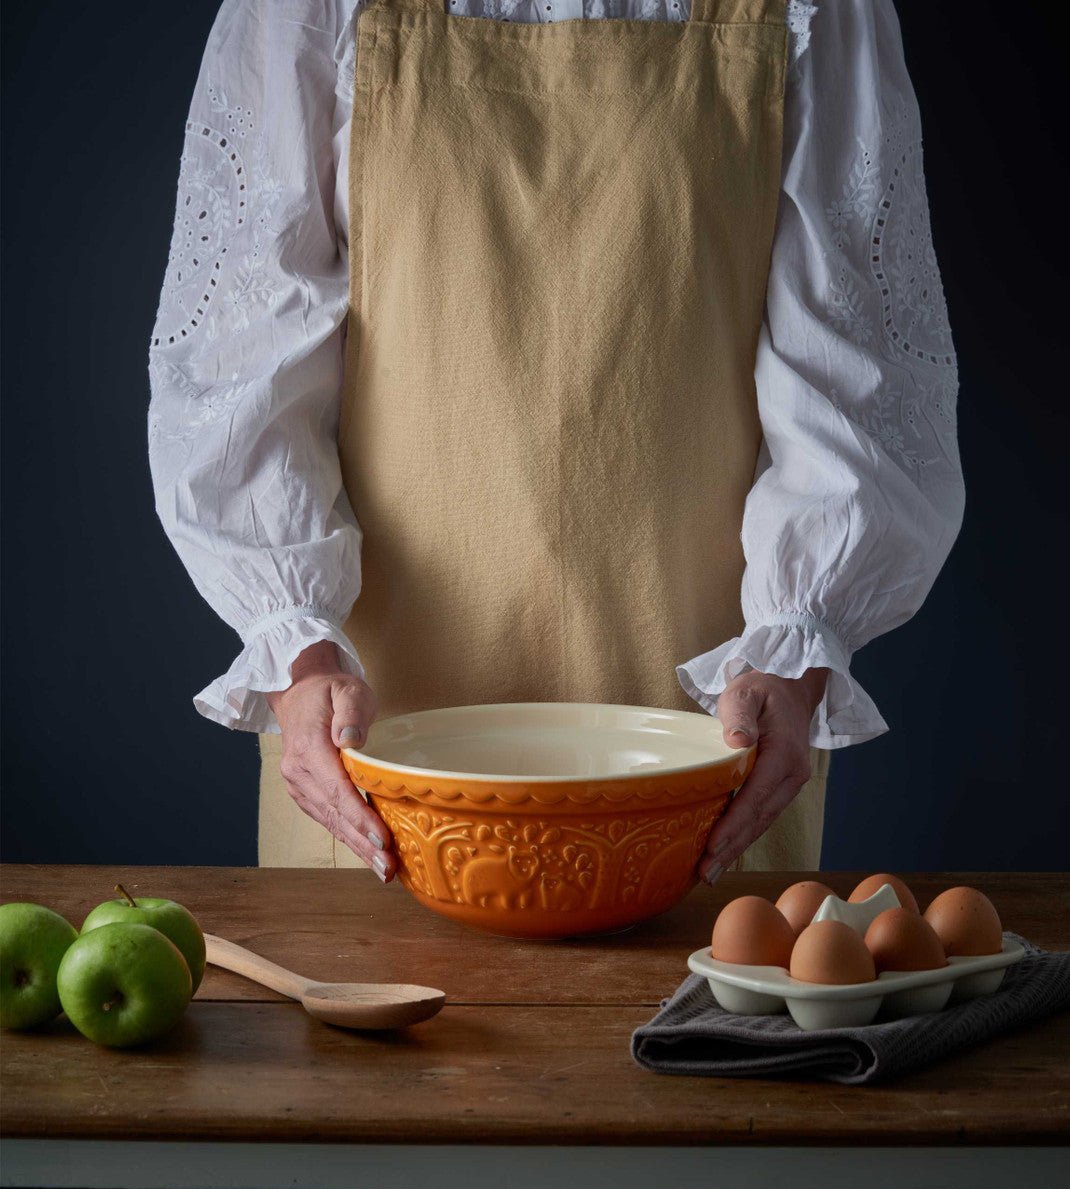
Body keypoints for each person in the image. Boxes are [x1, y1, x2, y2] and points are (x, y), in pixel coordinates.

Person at [147, 0, 963, 886]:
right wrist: (294, 656)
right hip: (373, 747)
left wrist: (797, 656)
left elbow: (855, 364)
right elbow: (238, 365)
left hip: (707, 742)